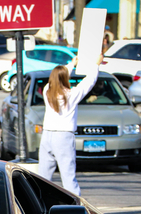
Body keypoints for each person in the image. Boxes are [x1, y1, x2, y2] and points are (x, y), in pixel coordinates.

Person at [38, 54, 104, 196]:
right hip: (63, 136)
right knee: (68, 177)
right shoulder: (71, 95)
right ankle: (75, 209)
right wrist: (96, 64)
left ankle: (37, 207)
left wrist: (71, 64)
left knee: (43, 177)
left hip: (47, 134)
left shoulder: (46, 91)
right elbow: (89, 82)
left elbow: (58, 76)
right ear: (65, 79)